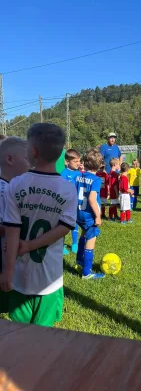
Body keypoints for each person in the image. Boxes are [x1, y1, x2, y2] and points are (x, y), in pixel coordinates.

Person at [0, 123, 77, 327]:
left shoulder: (16, 184)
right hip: (49, 279)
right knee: (44, 338)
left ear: (33, 152)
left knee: (20, 335)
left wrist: (7, 270)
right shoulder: (68, 189)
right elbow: (64, 227)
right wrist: (32, 246)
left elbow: (12, 229)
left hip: (20, 277)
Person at [0, 137, 30, 314]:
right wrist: (16, 230)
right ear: (10, 159)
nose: (31, 164)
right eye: (26, 158)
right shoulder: (3, 190)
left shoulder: (10, 187)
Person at [75, 148, 104, 279]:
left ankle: (79, 260)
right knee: (91, 239)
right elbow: (92, 199)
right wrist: (98, 216)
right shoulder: (96, 180)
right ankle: (87, 272)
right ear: (99, 165)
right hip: (89, 215)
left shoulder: (78, 176)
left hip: (78, 213)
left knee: (83, 234)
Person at [61, 148, 81, 254]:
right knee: (63, 224)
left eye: (79, 161)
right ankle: (61, 245)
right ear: (67, 162)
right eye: (75, 161)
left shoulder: (79, 174)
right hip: (65, 205)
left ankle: (75, 244)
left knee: (75, 223)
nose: (78, 163)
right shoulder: (63, 174)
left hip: (76, 204)